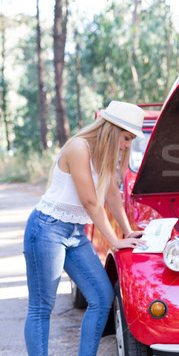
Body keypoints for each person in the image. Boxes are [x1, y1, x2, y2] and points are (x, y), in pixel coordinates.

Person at [23, 101, 147, 356]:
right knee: (41, 307)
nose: (127, 145)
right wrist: (115, 240)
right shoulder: (79, 147)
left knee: (102, 297)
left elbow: (112, 193)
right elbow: (90, 201)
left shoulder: (104, 153)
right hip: (47, 229)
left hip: (75, 234)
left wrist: (127, 231)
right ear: (111, 129)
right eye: (126, 138)